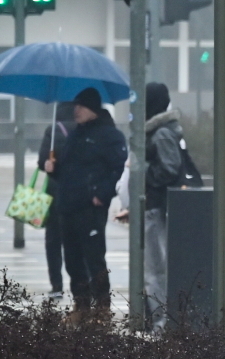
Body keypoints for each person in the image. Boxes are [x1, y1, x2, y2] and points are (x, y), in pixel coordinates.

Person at [44, 87, 127, 318]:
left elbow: (118, 169)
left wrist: (102, 194)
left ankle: (102, 308)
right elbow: (70, 171)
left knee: (94, 258)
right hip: (68, 206)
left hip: (90, 209)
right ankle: (81, 305)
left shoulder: (109, 136)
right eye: (75, 106)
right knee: (72, 260)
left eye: (81, 106)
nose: (76, 111)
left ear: (93, 109)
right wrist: (54, 168)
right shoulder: (75, 135)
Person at [142, 82, 190, 324]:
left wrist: (143, 172)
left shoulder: (160, 133)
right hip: (161, 206)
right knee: (158, 267)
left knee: (156, 269)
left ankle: (162, 320)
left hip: (157, 206)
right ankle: (163, 319)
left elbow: (168, 169)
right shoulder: (168, 129)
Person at [36, 102, 77, 297]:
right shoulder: (83, 129)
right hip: (79, 193)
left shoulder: (53, 130)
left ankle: (57, 285)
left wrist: (51, 163)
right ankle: (82, 285)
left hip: (55, 192)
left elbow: (41, 162)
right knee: (78, 240)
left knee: (53, 240)